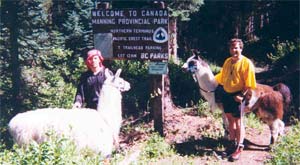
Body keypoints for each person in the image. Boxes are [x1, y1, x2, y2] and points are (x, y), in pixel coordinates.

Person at [215, 38, 257, 161]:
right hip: (226, 95)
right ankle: (231, 146)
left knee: (238, 122)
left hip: (238, 95)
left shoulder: (246, 63)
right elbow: (222, 77)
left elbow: (249, 83)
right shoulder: (228, 61)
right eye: (232, 48)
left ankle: (239, 147)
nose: (234, 50)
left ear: (241, 49)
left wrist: (242, 95)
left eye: (237, 48)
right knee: (230, 121)